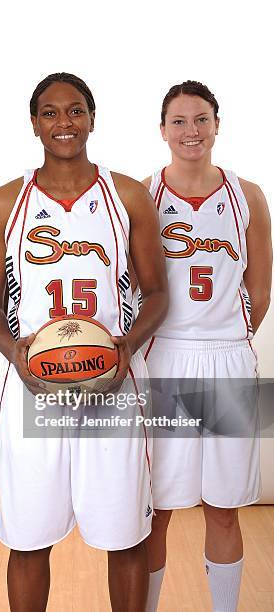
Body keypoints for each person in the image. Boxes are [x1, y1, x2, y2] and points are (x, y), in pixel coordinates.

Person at [0, 72, 168, 611]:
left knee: (124, 534)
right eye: (52, 113)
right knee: (29, 538)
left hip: (111, 389)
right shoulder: (6, 203)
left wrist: (126, 346)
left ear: (92, 117)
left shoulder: (126, 195)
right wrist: (14, 352)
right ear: (34, 123)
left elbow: (156, 293)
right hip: (36, 388)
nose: (65, 122)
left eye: (76, 110)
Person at [142, 80, 272, 612]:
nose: (190, 131)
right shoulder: (142, 195)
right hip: (166, 356)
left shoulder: (248, 195)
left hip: (227, 359)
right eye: (179, 121)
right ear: (163, 130)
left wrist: (228, 333)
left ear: (217, 124)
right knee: (158, 507)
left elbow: (259, 288)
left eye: (200, 119)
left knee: (224, 507)